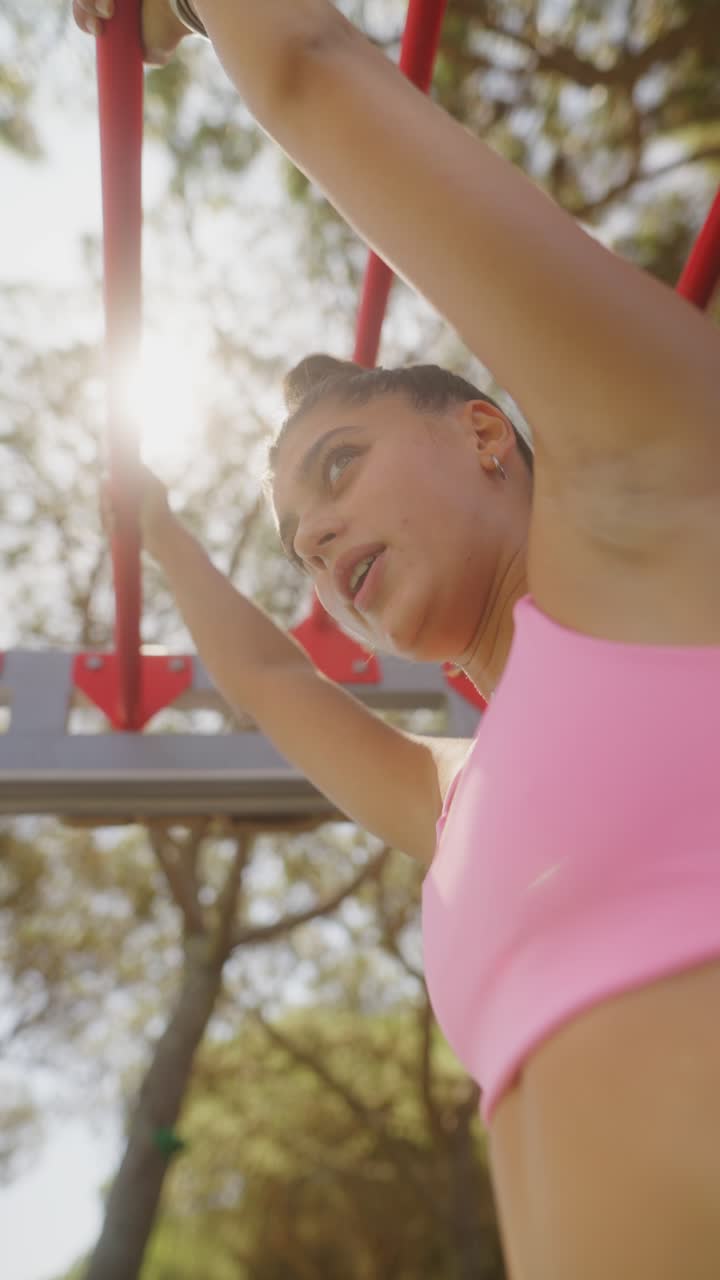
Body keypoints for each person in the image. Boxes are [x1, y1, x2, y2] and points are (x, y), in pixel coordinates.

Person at [73, 2, 720, 1277]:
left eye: (341, 466)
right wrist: (151, 521)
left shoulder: (654, 506)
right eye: (299, 543)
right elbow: (265, 675)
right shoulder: (451, 796)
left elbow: (315, 70)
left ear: (486, 432)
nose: (320, 544)